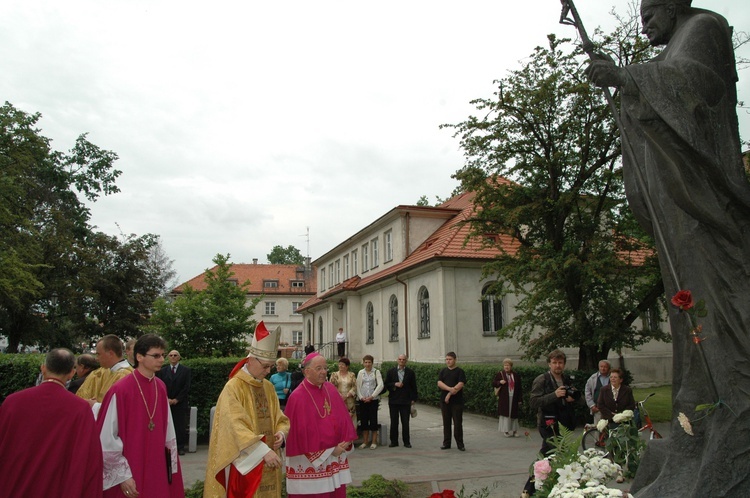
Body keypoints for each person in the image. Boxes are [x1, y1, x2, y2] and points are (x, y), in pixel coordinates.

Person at [586, 2, 750, 494]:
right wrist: (626, 87)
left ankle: (735, 407)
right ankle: (700, 415)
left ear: (674, 4)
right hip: (680, 220)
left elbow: (697, 89)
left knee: (716, 312)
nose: (646, 23)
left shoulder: (704, 28)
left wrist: (628, 78)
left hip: (706, 214)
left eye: (652, 11)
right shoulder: (675, 44)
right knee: (688, 318)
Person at [0, 348, 103, 498]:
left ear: (43, 368)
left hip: (14, 486)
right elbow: (89, 460)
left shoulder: (12, 402)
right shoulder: (80, 409)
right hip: (58, 488)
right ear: (71, 373)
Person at [204, 322, 290, 498]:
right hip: (247, 465)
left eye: (271, 367)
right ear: (251, 359)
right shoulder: (234, 387)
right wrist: (263, 451)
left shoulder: (268, 387)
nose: (268, 371)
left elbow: (279, 418)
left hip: (270, 460)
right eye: (265, 366)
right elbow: (234, 426)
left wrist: (281, 434)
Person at [97, 334, 184, 497]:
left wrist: (170, 466)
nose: (161, 359)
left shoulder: (160, 386)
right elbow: (107, 437)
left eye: (162, 355)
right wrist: (123, 476)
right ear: (139, 357)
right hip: (131, 463)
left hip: (156, 463)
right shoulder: (121, 389)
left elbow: (168, 430)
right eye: (156, 355)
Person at [285, 352, 358, 497]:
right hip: (309, 462)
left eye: (325, 368)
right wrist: (331, 450)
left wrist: (345, 441)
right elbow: (300, 434)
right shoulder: (297, 397)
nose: (324, 372)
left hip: (333, 458)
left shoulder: (330, 389)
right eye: (319, 368)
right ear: (307, 372)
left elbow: (343, 419)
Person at [529, 349, 580, 456]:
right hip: (548, 422)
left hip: (565, 422)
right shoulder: (542, 380)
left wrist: (574, 398)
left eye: (560, 363)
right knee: (551, 450)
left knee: (555, 452)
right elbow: (533, 402)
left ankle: (542, 470)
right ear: (549, 364)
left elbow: (581, 399)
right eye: (554, 363)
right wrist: (554, 395)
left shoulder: (567, 379)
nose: (558, 365)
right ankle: (538, 470)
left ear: (564, 364)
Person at [77, 334, 133, 408]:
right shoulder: (102, 372)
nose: (97, 358)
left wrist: (94, 406)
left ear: (110, 353)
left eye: (99, 354)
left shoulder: (125, 376)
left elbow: (119, 409)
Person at [156, 349, 192, 456]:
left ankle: (180, 447)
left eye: (175, 355)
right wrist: (166, 399)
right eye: (171, 355)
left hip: (180, 403)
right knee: (165, 425)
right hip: (166, 403)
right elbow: (159, 386)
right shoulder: (162, 371)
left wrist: (177, 399)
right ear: (168, 357)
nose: (173, 357)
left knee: (180, 426)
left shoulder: (186, 370)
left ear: (179, 357)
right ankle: (166, 447)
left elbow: (186, 387)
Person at [384, 354, 418, 448]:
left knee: (405, 422)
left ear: (406, 361)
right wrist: (395, 384)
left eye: (403, 359)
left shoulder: (410, 372)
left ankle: (406, 442)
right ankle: (394, 441)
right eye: (400, 359)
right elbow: (386, 384)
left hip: (405, 401)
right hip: (394, 400)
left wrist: (413, 399)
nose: (402, 361)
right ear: (397, 360)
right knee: (394, 422)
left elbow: (413, 387)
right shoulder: (391, 371)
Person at [437, 352, 467, 451]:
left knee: (457, 422)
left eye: (450, 359)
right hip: (444, 401)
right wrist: (450, 389)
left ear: (455, 360)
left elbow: (460, 384)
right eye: (446, 359)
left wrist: (450, 394)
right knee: (446, 422)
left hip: (457, 402)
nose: (448, 361)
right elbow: (439, 383)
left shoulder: (460, 371)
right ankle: (446, 443)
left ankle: (460, 443)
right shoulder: (443, 371)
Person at [356, 354, 384, 449]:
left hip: (373, 400)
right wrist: (361, 397)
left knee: (373, 420)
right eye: (366, 362)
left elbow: (380, 385)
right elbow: (357, 386)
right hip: (363, 400)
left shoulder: (376, 372)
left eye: (369, 362)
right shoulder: (361, 373)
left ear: (372, 363)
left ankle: (374, 441)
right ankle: (365, 441)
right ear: (363, 363)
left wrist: (372, 396)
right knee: (364, 421)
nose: (367, 364)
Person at [493, 358, 523, 437]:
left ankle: (514, 431)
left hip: (514, 397)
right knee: (505, 414)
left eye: (508, 365)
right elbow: (493, 383)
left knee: (514, 414)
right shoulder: (500, 374)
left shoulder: (515, 375)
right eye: (505, 365)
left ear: (511, 366)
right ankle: (505, 431)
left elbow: (519, 388)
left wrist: (520, 399)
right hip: (504, 398)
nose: (506, 367)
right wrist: (499, 382)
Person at [329, 357, 357, 424]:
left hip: (349, 401)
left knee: (350, 421)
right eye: (339, 364)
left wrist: (347, 395)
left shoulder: (352, 375)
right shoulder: (334, 375)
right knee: (339, 421)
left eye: (342, 364)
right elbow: (332, 386)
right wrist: (340, 396)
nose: (340, 366)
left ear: (347, 366)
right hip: (338, 400)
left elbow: (355, 386)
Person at [584, 360, 611, 426]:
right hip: (597, 409)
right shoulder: (592, 378)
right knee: (598, 429)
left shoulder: (612, 377)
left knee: (610, 429)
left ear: (609, 368)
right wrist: (592, 405)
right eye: (601, 366)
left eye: (605, 367)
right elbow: (587, 392)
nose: (603, 368)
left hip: (610, 409)